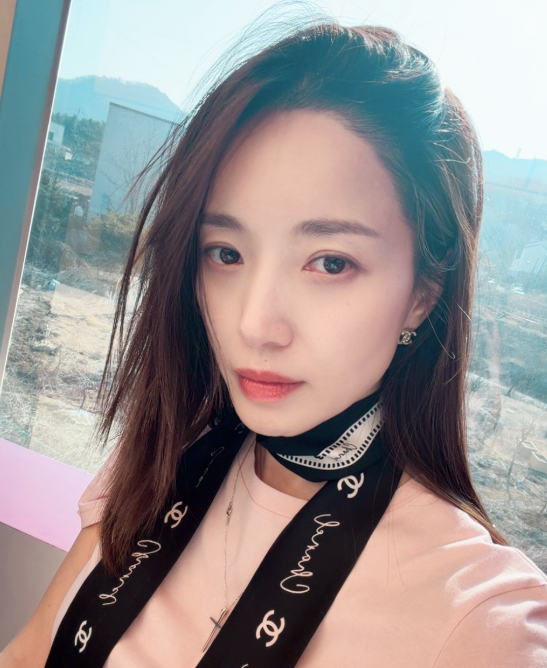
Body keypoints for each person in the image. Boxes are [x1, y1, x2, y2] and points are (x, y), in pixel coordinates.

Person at [2, 18, 547, 668]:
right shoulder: (163, 457)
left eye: (330, 263)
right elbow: (30, 652)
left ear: (422, 294)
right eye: (226, 253)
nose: (254, 325)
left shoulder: (481, 620)